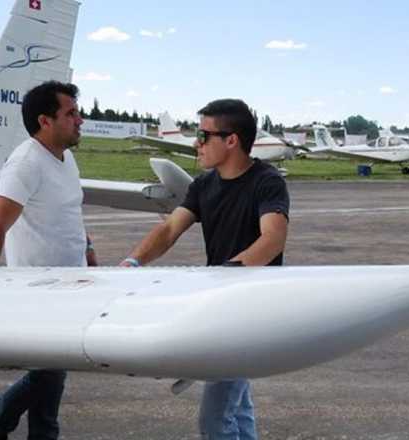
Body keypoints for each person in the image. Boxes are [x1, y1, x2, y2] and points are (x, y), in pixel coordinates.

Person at [120, 98, 290, 440]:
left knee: (214, 421)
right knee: (237, 409)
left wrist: (227, 275)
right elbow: (169, 229)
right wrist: (133, 261)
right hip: (221, 307)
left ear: (231, 140)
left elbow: (272, 239)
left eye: (203, 135)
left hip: (250, 310)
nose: (197, 143)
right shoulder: (203, 185)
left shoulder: (267, 182)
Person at [0, 80, 96, 440]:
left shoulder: (65, 157)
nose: (80, 120)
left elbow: (70, 211)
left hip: (71, 281)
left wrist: (88, 251)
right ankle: (8, 423)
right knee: (52, 370)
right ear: (45, 121)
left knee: (52, 369)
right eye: (71, 113)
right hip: (37, 286)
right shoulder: (25, 163)